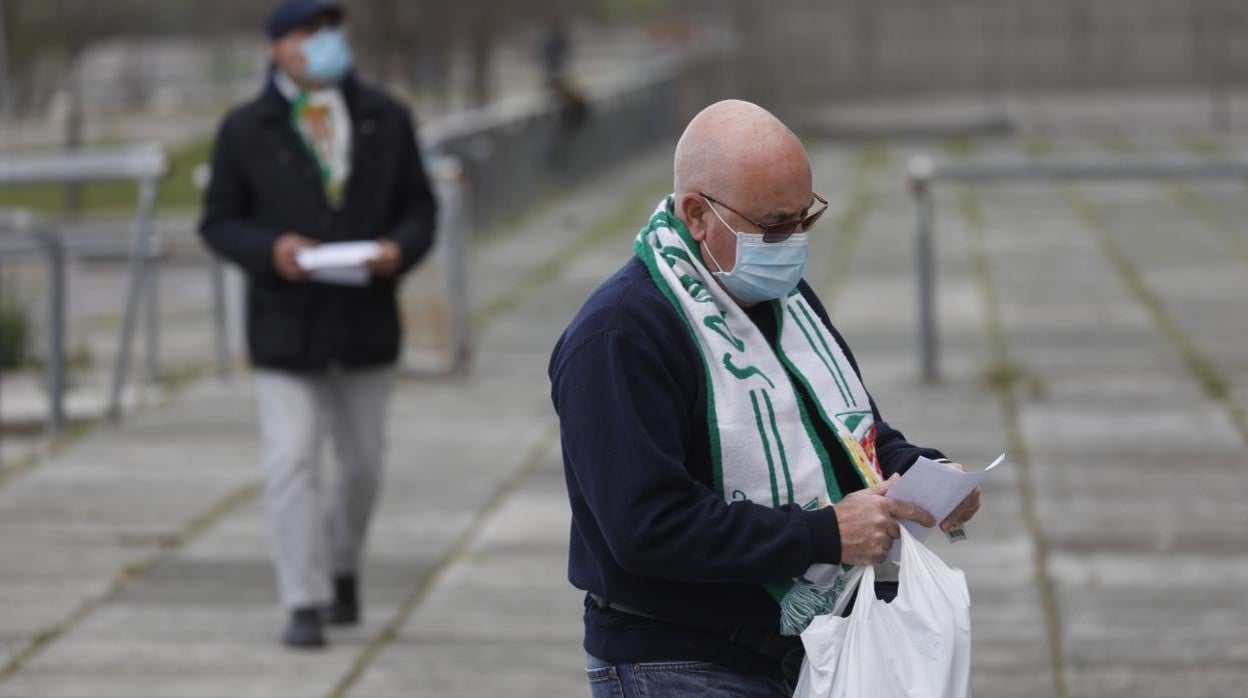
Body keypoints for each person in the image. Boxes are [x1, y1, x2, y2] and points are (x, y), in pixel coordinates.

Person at [548, 100, 980, 695]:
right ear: (698, 215)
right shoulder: (620, 335)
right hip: (677, 662)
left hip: (803, 650)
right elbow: (645, 527)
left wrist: (924, 476)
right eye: (775, 225)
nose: (795, 242)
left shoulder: (780, 298)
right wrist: (824, 535)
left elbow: (851, 437)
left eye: (807, 219)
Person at [199, 0, 437, 649]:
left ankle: (340, 567)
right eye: (309, 33)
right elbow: (219, 221)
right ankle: (303, 600)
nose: (326, 43)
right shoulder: (245, 129)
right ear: (276, 47)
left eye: (333, 30)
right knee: (292, 461)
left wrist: (398, 250)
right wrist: (270, 250)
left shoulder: (385, 117)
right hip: (285, 326)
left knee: (362, 464)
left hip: (364, 321)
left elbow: (421, 208)